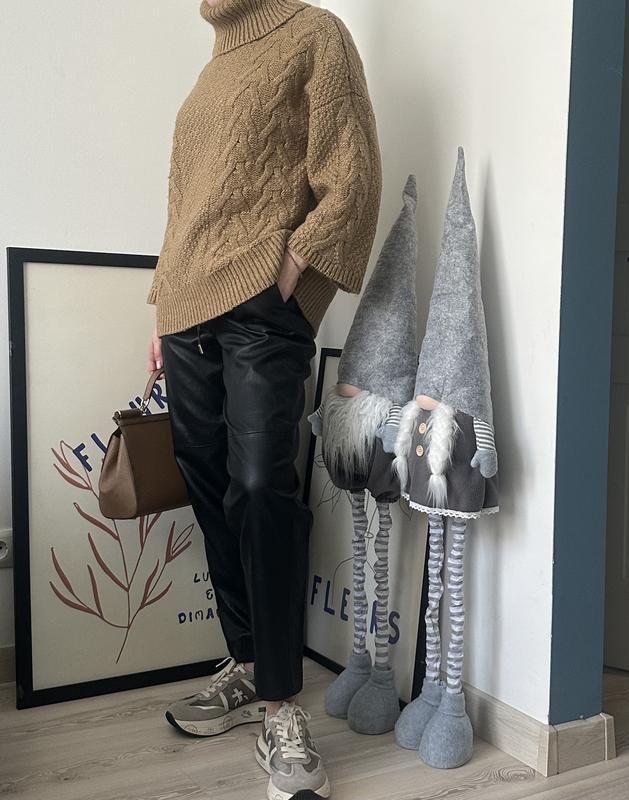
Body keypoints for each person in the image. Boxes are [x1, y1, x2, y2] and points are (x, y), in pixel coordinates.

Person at [146, 1, 382, 798]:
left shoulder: (313, 33)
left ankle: (282, 704)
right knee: (210, 483)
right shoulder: (211, 67)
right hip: (185, 313)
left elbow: (351, 175)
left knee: (259, 487)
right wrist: (162, 307)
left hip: (257, 311)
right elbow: (183, 207)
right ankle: (247, 664)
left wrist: (290, 277)